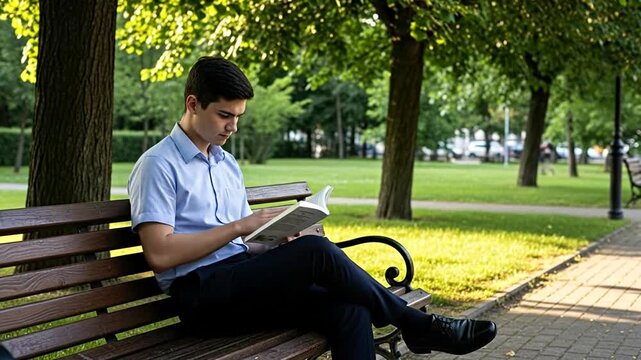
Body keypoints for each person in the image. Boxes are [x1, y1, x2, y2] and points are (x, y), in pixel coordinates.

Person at [128, 56, 497, 359]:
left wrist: (271, 242)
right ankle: (419, 326)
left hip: (241, 282)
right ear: (193, 104)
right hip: (200, 298)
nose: (233, 127)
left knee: (351, 309)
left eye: (239, 116)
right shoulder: (158, 164)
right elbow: (161, 254)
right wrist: (241, 226)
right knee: (317, 250)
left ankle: (417, 328)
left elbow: (239, 246)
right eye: (225, 115)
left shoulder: (226, 164)